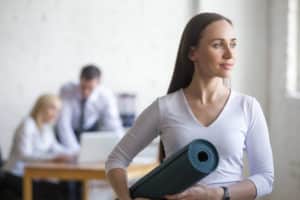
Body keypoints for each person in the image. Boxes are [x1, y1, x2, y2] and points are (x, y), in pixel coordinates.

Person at [105, 12, 274, 200]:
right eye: (217, 45)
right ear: (193, 53)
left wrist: (218, 194)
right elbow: (116, 160)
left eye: (233, 44)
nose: (229, 54)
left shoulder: (247, 107)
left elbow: (265, 179)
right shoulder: (165, 108)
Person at [2, 94, 74, 200]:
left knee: (65, 187)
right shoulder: (28, 124)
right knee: (55, 193)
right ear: (41, 107)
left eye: (58, 111)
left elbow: (56, 148)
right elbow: (25, 155)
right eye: (53, 108)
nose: (56, 114)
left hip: (32, 175)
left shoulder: (47, 127)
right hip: (16, 174)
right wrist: (52, 158)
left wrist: (75, 153)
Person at [56, 64, 123, 154]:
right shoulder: (67, 90)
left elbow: (113, 124)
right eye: (83, 87)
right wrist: (76, 152)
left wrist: (122, 148)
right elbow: (63, 124)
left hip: (91, 131)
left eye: (90, 88)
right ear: (80, 79)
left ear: (98, 83)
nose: (85, 92)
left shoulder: (106, 96)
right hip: (70, 131)